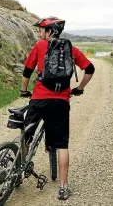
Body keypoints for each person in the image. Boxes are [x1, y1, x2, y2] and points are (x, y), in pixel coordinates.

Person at [20, 17, 95, 200]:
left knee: (26, 135)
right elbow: (90, 68)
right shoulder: (71, 49)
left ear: (50, 32)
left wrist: (24, 91)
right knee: (62, 144)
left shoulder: (39, 47)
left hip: (38, 99)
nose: (39, 33)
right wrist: (79, 89)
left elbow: (27, 71)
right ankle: (63, 187)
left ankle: (19, 170)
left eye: (41, 30)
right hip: (61, 102)